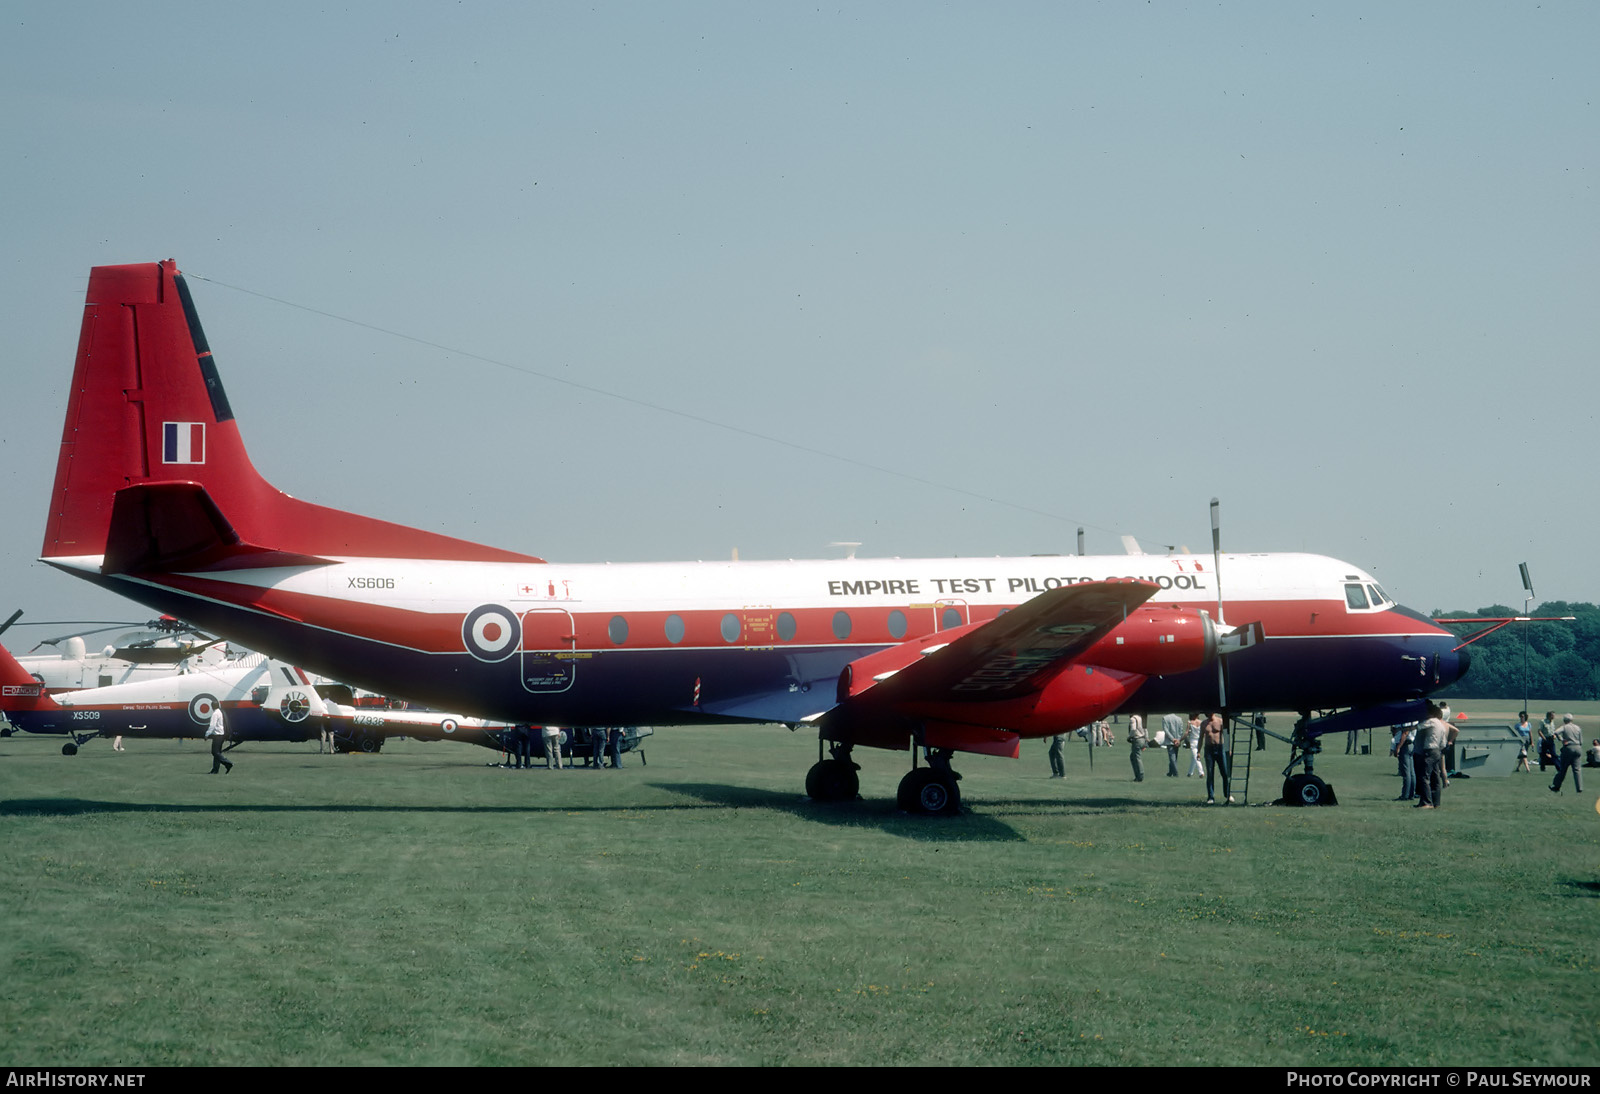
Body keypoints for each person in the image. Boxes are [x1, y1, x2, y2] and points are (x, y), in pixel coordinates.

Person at [1413, 703, 1448, 809]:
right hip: (1437, 750)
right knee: (1435, 777)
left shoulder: (1431, 721)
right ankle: (1436, 802)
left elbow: (1418, 727)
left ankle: (1426, 802)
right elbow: (1443, 743)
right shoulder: (1441, 724)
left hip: (1429, 750)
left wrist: (1404, 729)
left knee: (1424, 776)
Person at [1549, 715, 1583, 794]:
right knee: (1577, 770)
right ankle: (1579, 788)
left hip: (1568, 748)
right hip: (1578, 747)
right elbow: (1581, 741)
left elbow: (1556, 732)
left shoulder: (1564, 727)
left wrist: (1561, 739)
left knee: (1563, 768)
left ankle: (1556, 785)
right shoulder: (1578, 728)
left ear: (1564, 720)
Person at [1202, 712, 1231, 803]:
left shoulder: (1220, 721)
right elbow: (1200, 737)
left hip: (1219, 748)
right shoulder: (1204, 723)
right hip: (1209, 749)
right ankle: (1211, 797)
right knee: (1210, 773)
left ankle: (1227, 794)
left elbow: (1226, 735)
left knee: (1225, 772)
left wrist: (1228, 749)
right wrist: (1198, 751)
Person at [206, 704, 233, 774]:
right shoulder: (220, 712)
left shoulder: (215, 714)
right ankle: (215, 769)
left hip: (217, 735)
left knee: (214, 752)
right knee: (217, 752)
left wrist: (207, 734)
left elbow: (212, 725)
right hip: (222, 734)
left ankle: (227, 763)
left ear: (212, 706)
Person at [1392, 723, 1415, 801]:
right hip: (1411, 744)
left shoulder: (1408, 718)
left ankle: (1405, 795)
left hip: (1405, 744)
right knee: (1411, 772)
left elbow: (1405, 732)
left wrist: (1398, 747)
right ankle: (1411, 794)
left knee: (1406, 772)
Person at [1161, 713, 1183, 777]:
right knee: (1174, 757)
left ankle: (1175, 773)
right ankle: (1170, 772)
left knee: (1172, 758)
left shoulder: (1165, 718)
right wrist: (1178, 740)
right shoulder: (1179, 719)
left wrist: (1173, 739)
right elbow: (1181, 731)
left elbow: (1166, 730)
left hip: (1170, 741)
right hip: (1177, 741)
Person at [1127, 713, 1146, 782]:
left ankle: (1140, 775)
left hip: (1137, 739)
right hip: (1142, 738)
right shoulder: (1139, 717)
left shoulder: (1133, 719)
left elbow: (1133, 729)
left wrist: (1129, 737)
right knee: (1133, 756)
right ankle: (1138, 775)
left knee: (1137, 757)